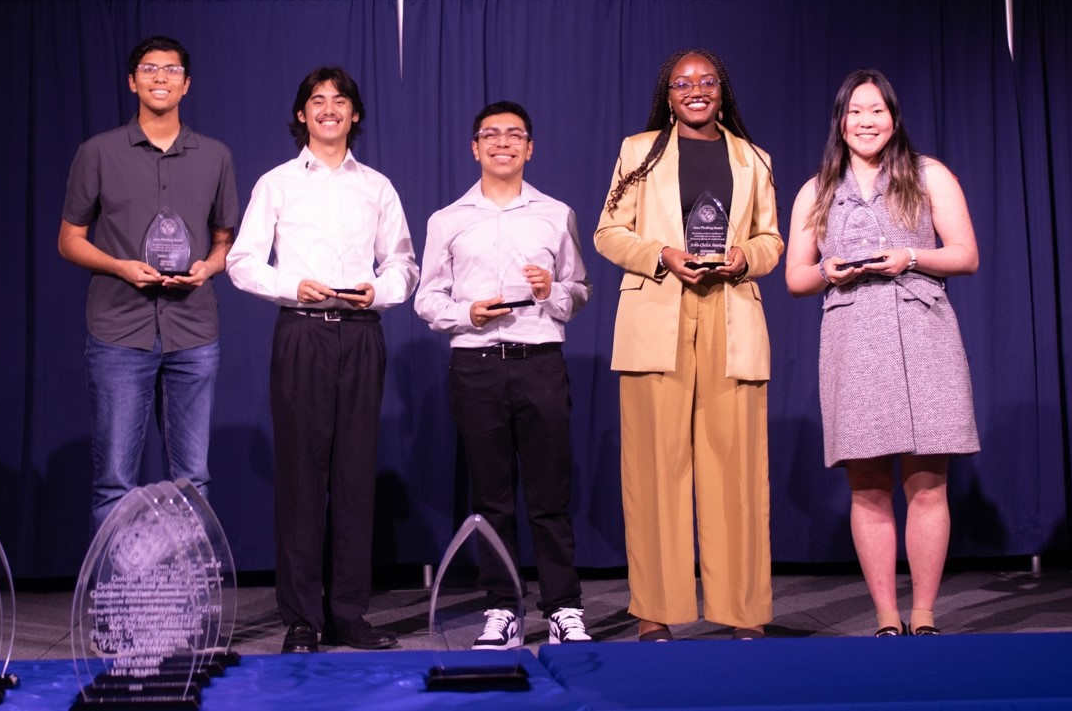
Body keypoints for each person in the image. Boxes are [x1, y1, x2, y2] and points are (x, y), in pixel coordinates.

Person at [226, 66, 418, 654]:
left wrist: (378, 292)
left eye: (340, 101)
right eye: (317, 100)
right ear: (302, 114)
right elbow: (241, 262)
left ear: (354, 114)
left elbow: (404, 266)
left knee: (356, 476)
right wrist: (292, 285)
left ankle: (350, 614)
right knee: (302, 479)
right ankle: (302, 619)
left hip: (361, 334)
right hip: (303, 333)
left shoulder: (377, 186)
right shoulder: (278, 183)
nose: (329, 109)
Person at [593, 48, 783, 641]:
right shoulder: (638, 151)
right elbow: (608, 232)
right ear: (668, 94)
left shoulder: (755, 158)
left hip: (731, 316)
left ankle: (742, 609)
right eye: (682, 83)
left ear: (722, 90)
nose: (695, 90)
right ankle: (657, 608)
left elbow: (771, 239)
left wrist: (745, 256)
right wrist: (662, 256)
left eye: (706, 81)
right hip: (657, 317)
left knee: (738, 470)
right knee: (655, 470)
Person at [784, 68, 980, 637]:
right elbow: (796, 276)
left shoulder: (928, 175)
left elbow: (965, 254)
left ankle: (922, 615)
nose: (866, 122)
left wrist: (910, 256)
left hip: (924, 332)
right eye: (855, 112)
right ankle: (887, 618)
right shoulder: (817, 188)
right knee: (867, 487)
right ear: (840, 123)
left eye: (877, 111)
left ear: (893, 118)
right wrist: (827, 270)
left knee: (928, 482)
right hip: (852, 336)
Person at [414, 101, 593, 649]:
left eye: (514, 135)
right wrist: (467, 314)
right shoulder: (446, 220)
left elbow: (579, 291)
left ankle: (563, 608)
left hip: (539, 361)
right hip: (476, 365)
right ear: (474, 147)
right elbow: (426, 298)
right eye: (490, 135)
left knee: (549, 495)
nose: (502, 143)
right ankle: (501, 609)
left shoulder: (556, 214)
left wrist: (550, 291)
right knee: (491, 497)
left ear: (530, 148)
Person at [59, 35, 239, 536]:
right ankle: (118, 606)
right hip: (119, 329)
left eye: (172, 69)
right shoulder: (98, 152)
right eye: (150, 69)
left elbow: (225, 240)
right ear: (132, 81)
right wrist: (121, 266)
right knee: (115, 479)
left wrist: (209, 266)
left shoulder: (215, 156)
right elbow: (69, 240)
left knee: (193, 479)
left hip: (194, 331)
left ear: (187, 84)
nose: (161, 77)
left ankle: (186, 605)